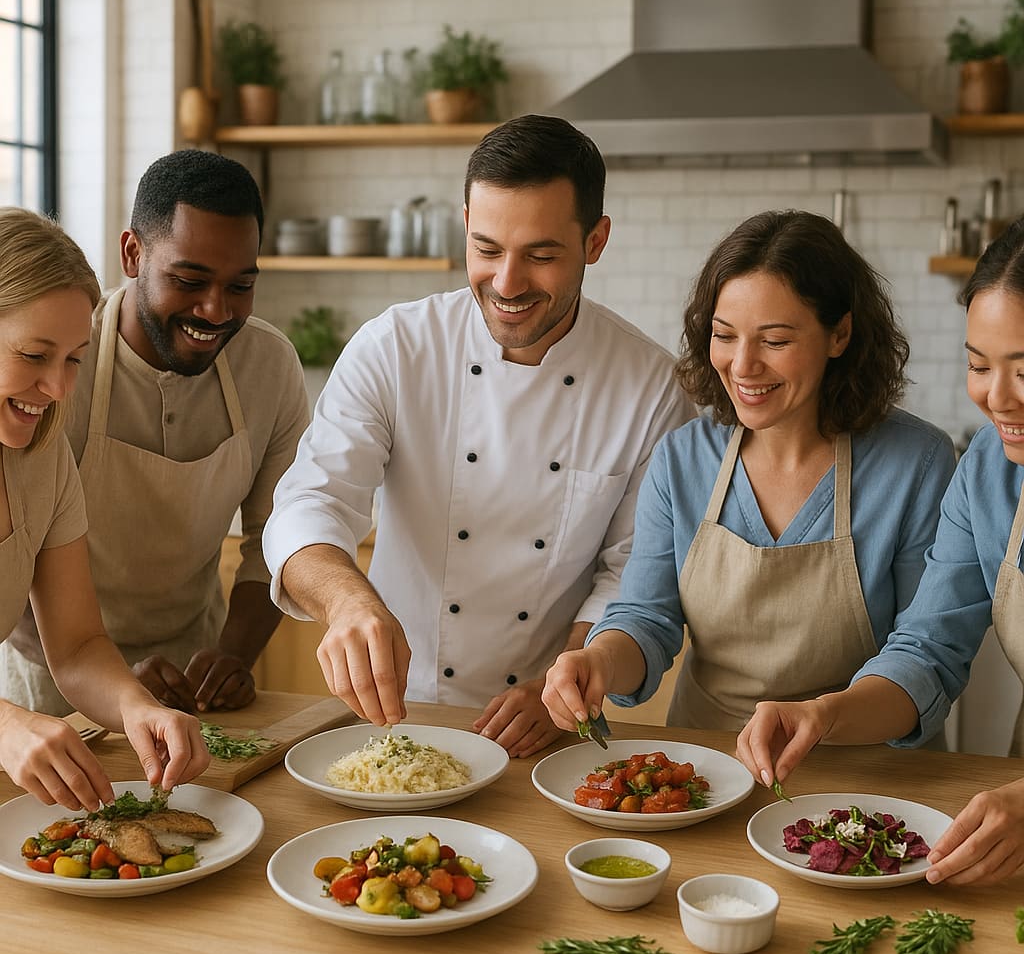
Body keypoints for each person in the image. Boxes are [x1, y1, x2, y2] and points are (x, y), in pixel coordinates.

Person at [263, 114, 693, 757]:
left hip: (546, 734)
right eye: (487, 249)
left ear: (596, 241)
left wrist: (565, 684)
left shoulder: (650, 385)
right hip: (394, 720)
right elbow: (309, 502)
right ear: (465, 224)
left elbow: (630, 573)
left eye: (541, 255)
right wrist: (348, 602)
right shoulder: (396, 347)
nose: (508, 283)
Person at [542, 210, 956, 738]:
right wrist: (598, 659)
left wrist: (823, 718)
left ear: (840, 334)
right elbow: (647, 619)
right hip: (710, 771)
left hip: (870, 777)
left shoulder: (915, 464)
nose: (742, 365)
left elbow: (922, 652)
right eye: (725, 335)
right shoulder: (683, 459)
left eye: (775, 341)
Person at [736, 213, 1024, 887]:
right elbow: (928, 647)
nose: (998, 397)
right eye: (979, 366)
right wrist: (826, 711)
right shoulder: (990, 469)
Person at [0, 151, 309, 717]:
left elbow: (279, 537)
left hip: (187, 685)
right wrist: (25, 722)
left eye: (240, 286)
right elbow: (37, 598)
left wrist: (230, 656)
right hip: (45, 691)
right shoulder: (53, 379)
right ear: (133, 254)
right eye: (189, 280)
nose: (215, 310)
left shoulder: (270, 366)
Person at [0, 206, 209, 810]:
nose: (60, 388)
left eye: (73, 358)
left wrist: (137, 709)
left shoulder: (42, 459)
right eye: (35, 356)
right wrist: (6, 725)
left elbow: (77, 645)